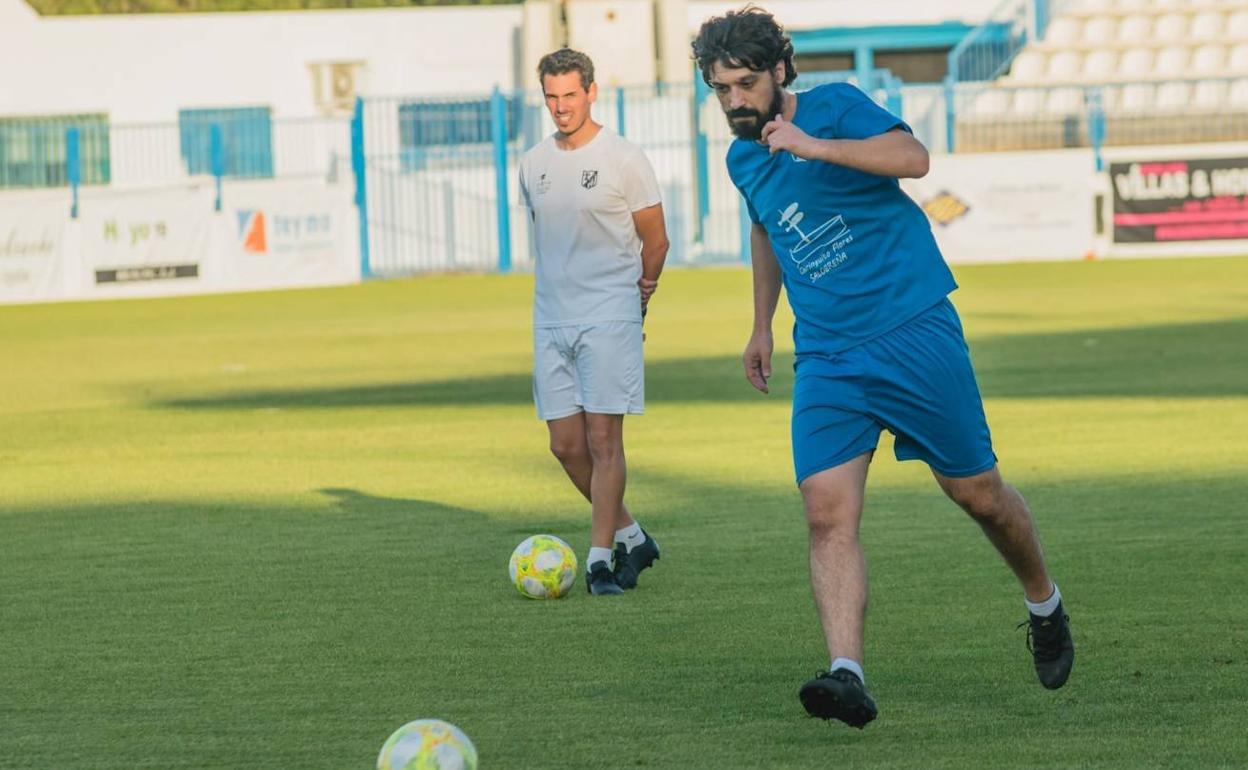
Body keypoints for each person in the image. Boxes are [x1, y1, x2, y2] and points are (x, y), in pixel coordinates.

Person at [691, 6, 1074, 727]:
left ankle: (1044, 602)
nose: (735, 100)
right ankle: (848, 674)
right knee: (825, 512)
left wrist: (813, 147)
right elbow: (765, 230)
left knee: (980, 495)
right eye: (721, 89)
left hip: (912, 328)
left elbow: (914, 158)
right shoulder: (742, 159)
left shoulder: (836, 106)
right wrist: (761, 324)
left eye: (746, 83)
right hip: (827, 356)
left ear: (779, 71)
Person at [518, 48, 670, 596]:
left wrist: (638, 303)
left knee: (604, 440)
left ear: (591, 93)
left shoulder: (623, 158)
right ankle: (632, 535)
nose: (561, 107)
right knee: (565, 446)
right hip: (550, 319)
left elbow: (657, 242)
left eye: (570, 95)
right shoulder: (532, 163)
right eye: (552, 97)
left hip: (608, 316)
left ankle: (599, 561)